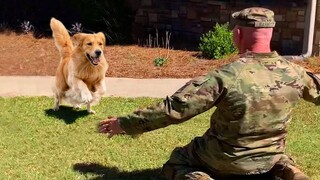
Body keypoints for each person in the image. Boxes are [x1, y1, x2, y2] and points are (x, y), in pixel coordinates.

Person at [98, 7, 316, 180]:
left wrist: (125, 124)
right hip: (269, 156)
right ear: (270, 34)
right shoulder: (296, 72)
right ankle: (290, 172)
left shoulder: (226, 76)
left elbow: (175, 109)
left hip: (225, 158)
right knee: (279, 160)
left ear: (238, 34)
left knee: (178, 162)